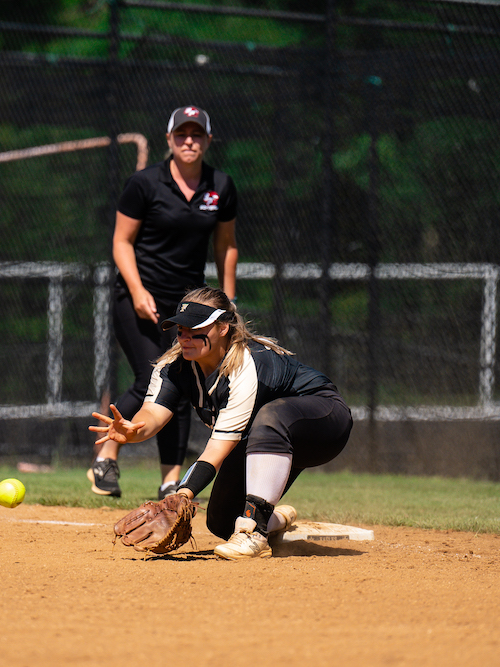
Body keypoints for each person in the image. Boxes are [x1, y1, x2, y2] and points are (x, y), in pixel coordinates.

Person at [90, 287, 353, 560]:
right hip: (270, 444)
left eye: (195, 329)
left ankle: (253, 534)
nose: (185, 338)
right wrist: (134, 431)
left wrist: (182, 494)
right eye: (180, 330)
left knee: (270, 416)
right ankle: (272, 520)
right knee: (222, 521)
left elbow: (217, 449)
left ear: (223, 328)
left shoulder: (246, 363)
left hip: (324, 423)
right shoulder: (174, 367)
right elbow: (152, 413)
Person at [88, 106, 239, 500]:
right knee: (152, 376)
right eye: (181, 134)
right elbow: (121, 242)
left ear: (208, 140)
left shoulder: (220, 186)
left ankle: (170, 480)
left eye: (197, 134)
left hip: (189, 305)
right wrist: (137, 291)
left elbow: (226, 245)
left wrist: (228, 301)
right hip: (137, 295)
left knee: (184, 383)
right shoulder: (144, 183)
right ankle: (106, 456)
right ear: (169, 139)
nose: (189, 141)